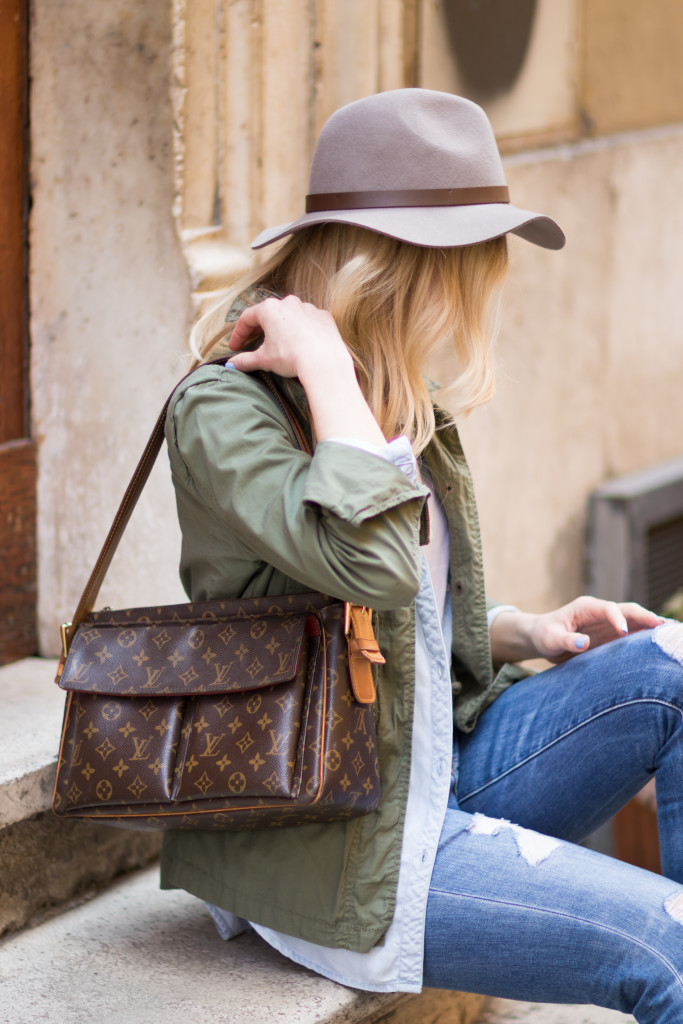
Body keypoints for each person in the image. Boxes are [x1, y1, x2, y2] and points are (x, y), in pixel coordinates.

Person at [161, 89, 683, 1021]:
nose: (475, 295)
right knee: (669, 947)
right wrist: (320, 367)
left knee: (672, 666)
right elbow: (373, 567)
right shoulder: (227, 410)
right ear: (399, 268)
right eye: (470, 263)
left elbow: (381, 615)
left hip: (424, 769)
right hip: (330, 834)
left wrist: (518, 628)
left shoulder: (388, 385)